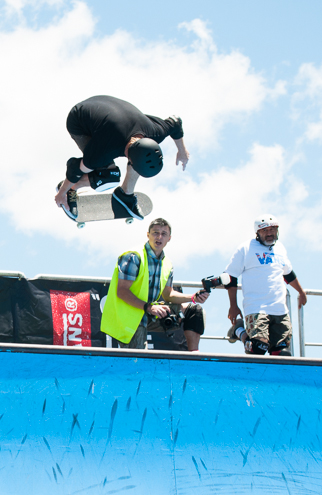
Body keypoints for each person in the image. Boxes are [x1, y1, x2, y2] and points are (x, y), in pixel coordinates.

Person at [55, 95, 190, 220]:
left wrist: (182, 151)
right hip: (79, 120)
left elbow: (175, 122)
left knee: (136, 161)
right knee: (108, 176)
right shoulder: (105, 149)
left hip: (107, 108)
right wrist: (62, 192)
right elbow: (76, 169)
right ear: (128, 159)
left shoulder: (156, 132)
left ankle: (125, 194)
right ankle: (72, 188)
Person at [100, 218, 209, 351]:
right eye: (155, 233)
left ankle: (193, 356)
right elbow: (122, 291)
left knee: (194, 311)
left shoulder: (167, 264)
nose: (159, 237)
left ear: (169, 238)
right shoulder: (133, 256)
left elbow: (168, 295)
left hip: (148, 312)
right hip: (128, 317)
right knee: (139, 360)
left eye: (163, 234)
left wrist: (193, 297)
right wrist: (149, 307)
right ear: (148, 235)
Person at [224, 214, 307, 356]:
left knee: (281, 353)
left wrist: (301, 292)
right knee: (258, 348)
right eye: (265, 230)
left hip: (280, 309)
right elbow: (230, 277)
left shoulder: (280, 248)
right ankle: (239, 329)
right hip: (256, 307)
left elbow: (288, 274)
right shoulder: (246, 248)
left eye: (272, 229)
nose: (269, 233)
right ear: (257, 232)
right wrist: (233, 305)